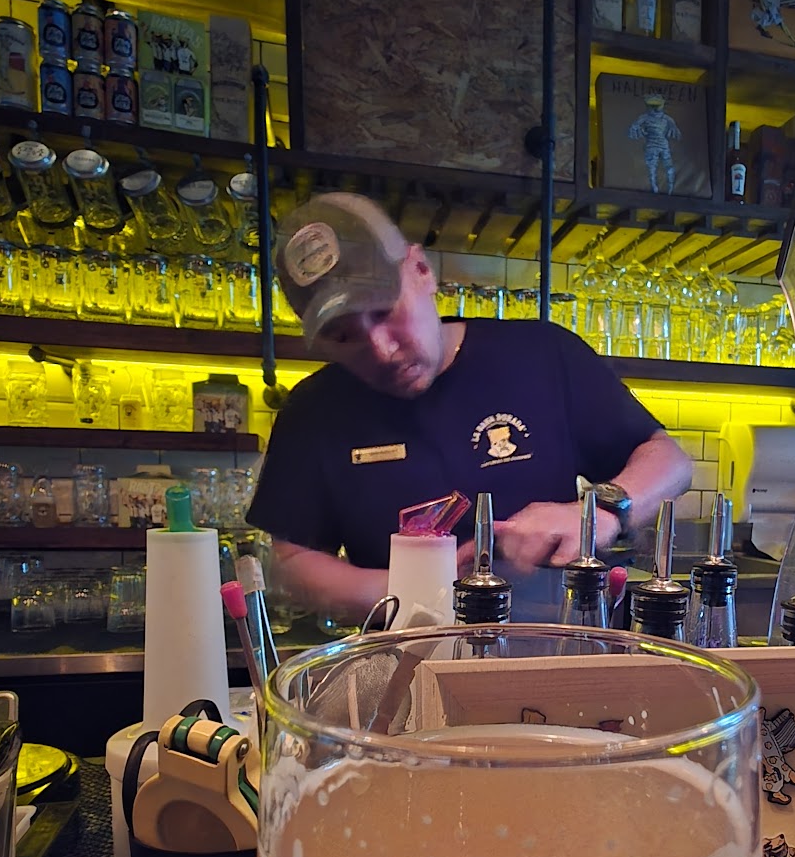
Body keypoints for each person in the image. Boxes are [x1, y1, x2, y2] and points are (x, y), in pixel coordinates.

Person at [247, 192, 694, 621]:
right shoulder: (312, 411)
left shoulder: (542, 355)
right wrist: (418, 589)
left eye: (383, 311)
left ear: (421, 270)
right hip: (406, 654)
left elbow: (669, 460)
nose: (381, 349)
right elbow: (293, 561)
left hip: (551, 648)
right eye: (343, 336)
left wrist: (599, 513)